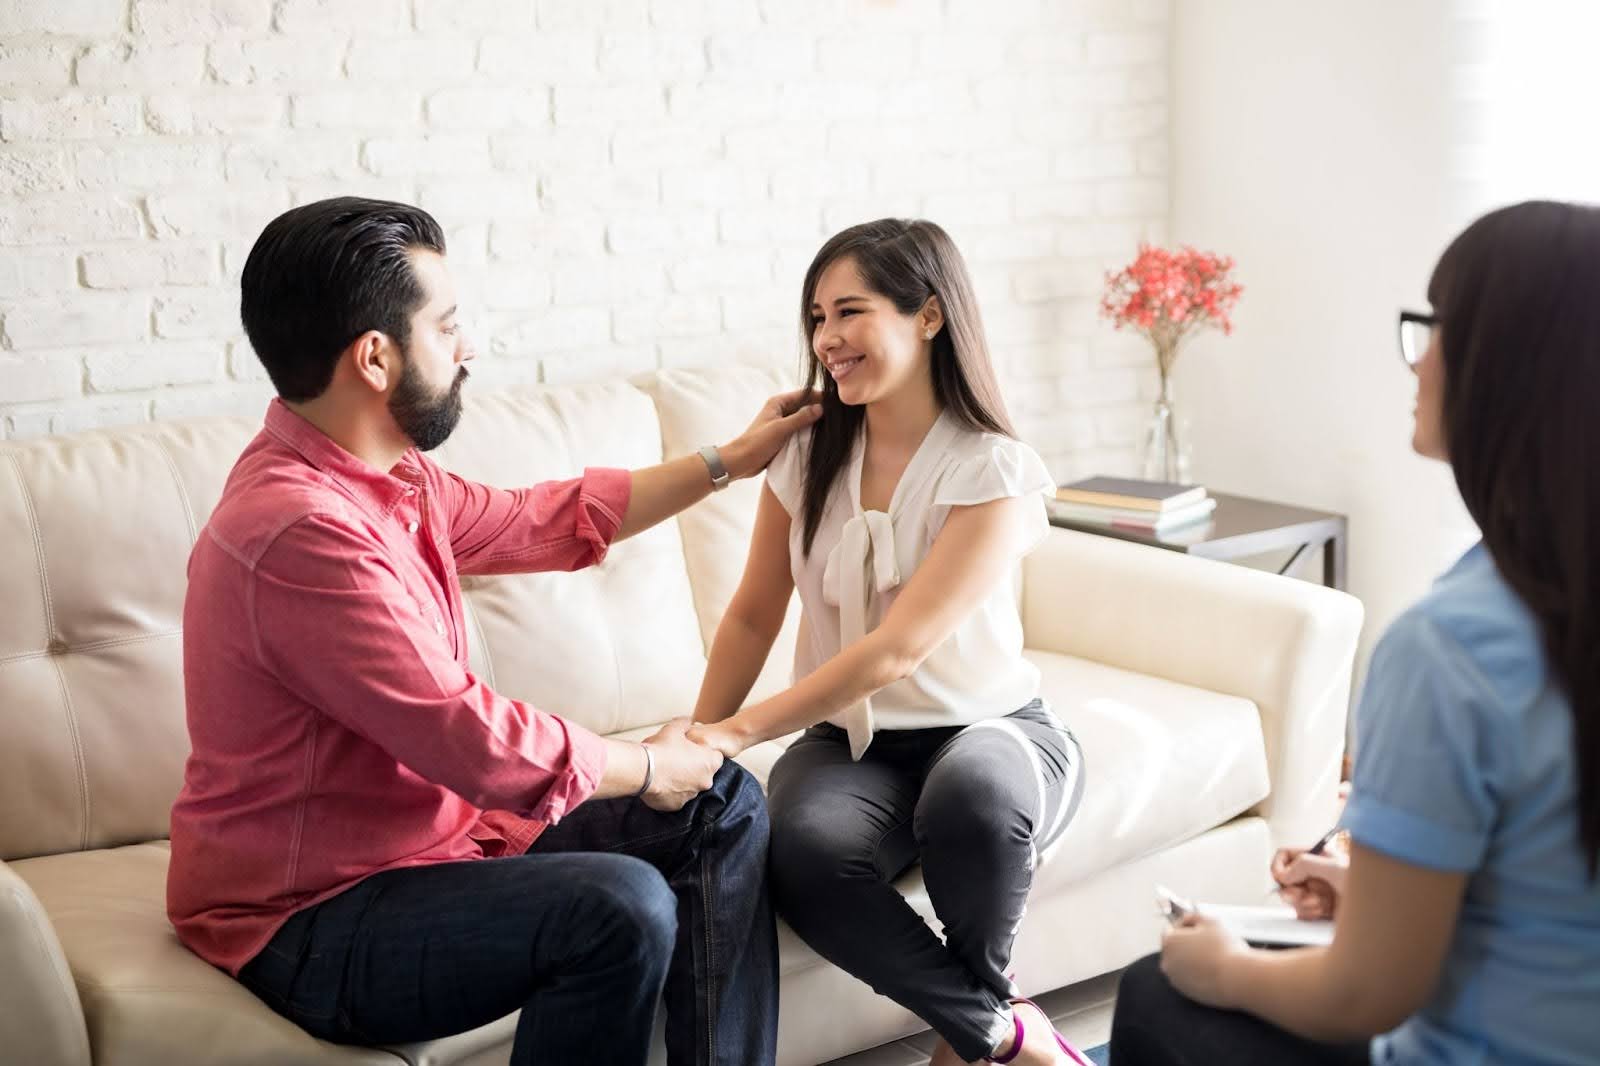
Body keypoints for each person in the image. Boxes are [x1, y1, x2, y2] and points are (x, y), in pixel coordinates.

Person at [165, 197, 823, 1066]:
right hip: (309, 917)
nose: (468, 348)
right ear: (374, 357)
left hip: (433, 850)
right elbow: (469, 739)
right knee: (617, 906)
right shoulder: (301, 532)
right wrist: (652, 765)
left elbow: (542, 517)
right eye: (448, 328)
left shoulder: (392, 480)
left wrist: (727, 461)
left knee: (722, 802)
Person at [1110, 200, 1600, 1065]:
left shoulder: (1451, 650)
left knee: (1159, 988)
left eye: (1439, 327)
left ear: (1509, 369)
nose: (1421, 360)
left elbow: (1367, 995)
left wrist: (1224, 968)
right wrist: (1385, 893)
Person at [687, 219, 1090, 1066]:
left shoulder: (993, 469)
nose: (827, 339)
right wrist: (698, 745)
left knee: (974, 801)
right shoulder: (804, 455)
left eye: (850, 312)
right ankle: (1001, 1033)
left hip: (995, 729)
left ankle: (967, 1038)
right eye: (815, 318)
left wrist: (736, 734)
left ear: (930, 316)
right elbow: (755, 613)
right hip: (851, 745)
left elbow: (900, 650)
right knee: (801, 852)